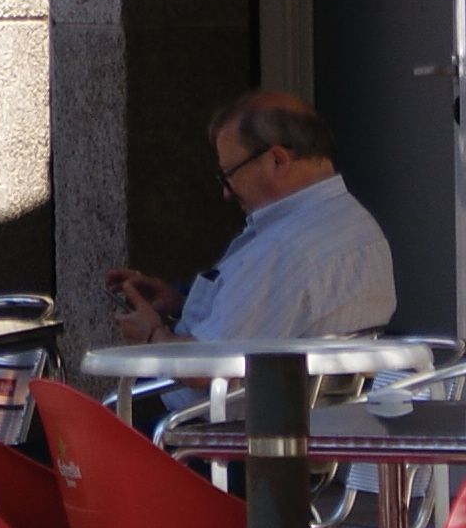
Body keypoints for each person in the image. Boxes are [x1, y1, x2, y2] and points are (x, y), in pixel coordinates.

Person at [104, 91, 396, 345]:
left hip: (221, 408)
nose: (227, 194)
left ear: (277, 160)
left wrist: (152, 334)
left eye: (229, 175)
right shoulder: (357, 223)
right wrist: (183, 304)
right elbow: (274, 320)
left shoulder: (285, 248)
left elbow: (210, 366)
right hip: (324, 405)